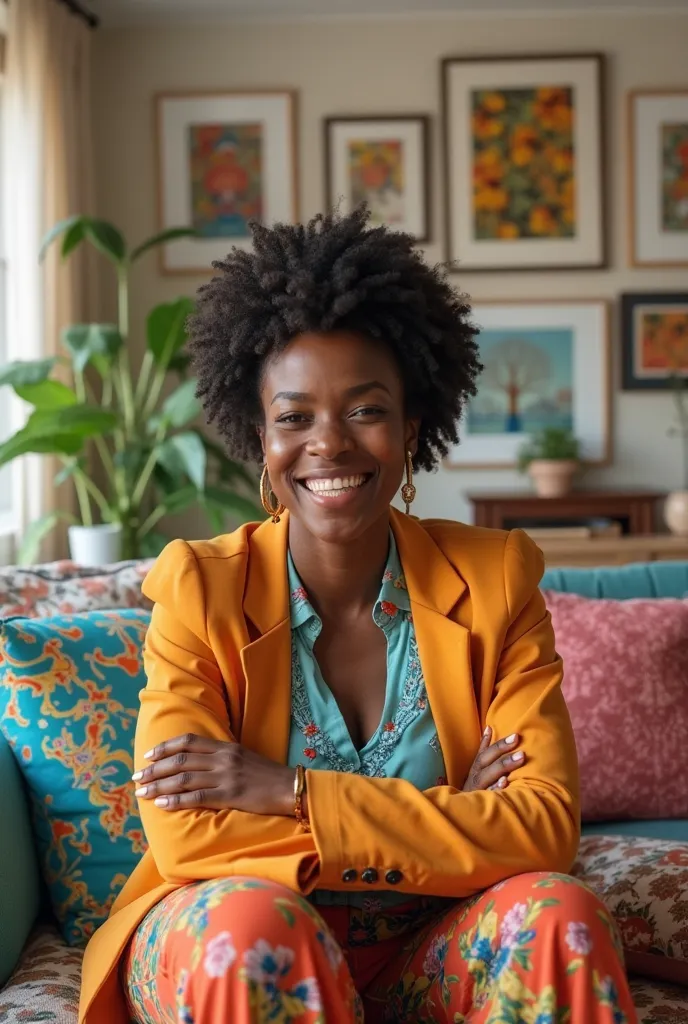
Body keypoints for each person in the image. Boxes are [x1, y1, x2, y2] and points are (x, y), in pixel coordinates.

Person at [79, 207, 637, 1024]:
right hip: (245, 927)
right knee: (253, 924)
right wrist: (453, 813)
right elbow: (188, 840)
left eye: (365, 410)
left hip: (431, 938)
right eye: (294, 416)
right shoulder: (198, 588)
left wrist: (287, 791)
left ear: (412, 429)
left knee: (562, 914)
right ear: (260, 440)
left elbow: (542, 829)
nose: (329, 444)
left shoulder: (494, 579)